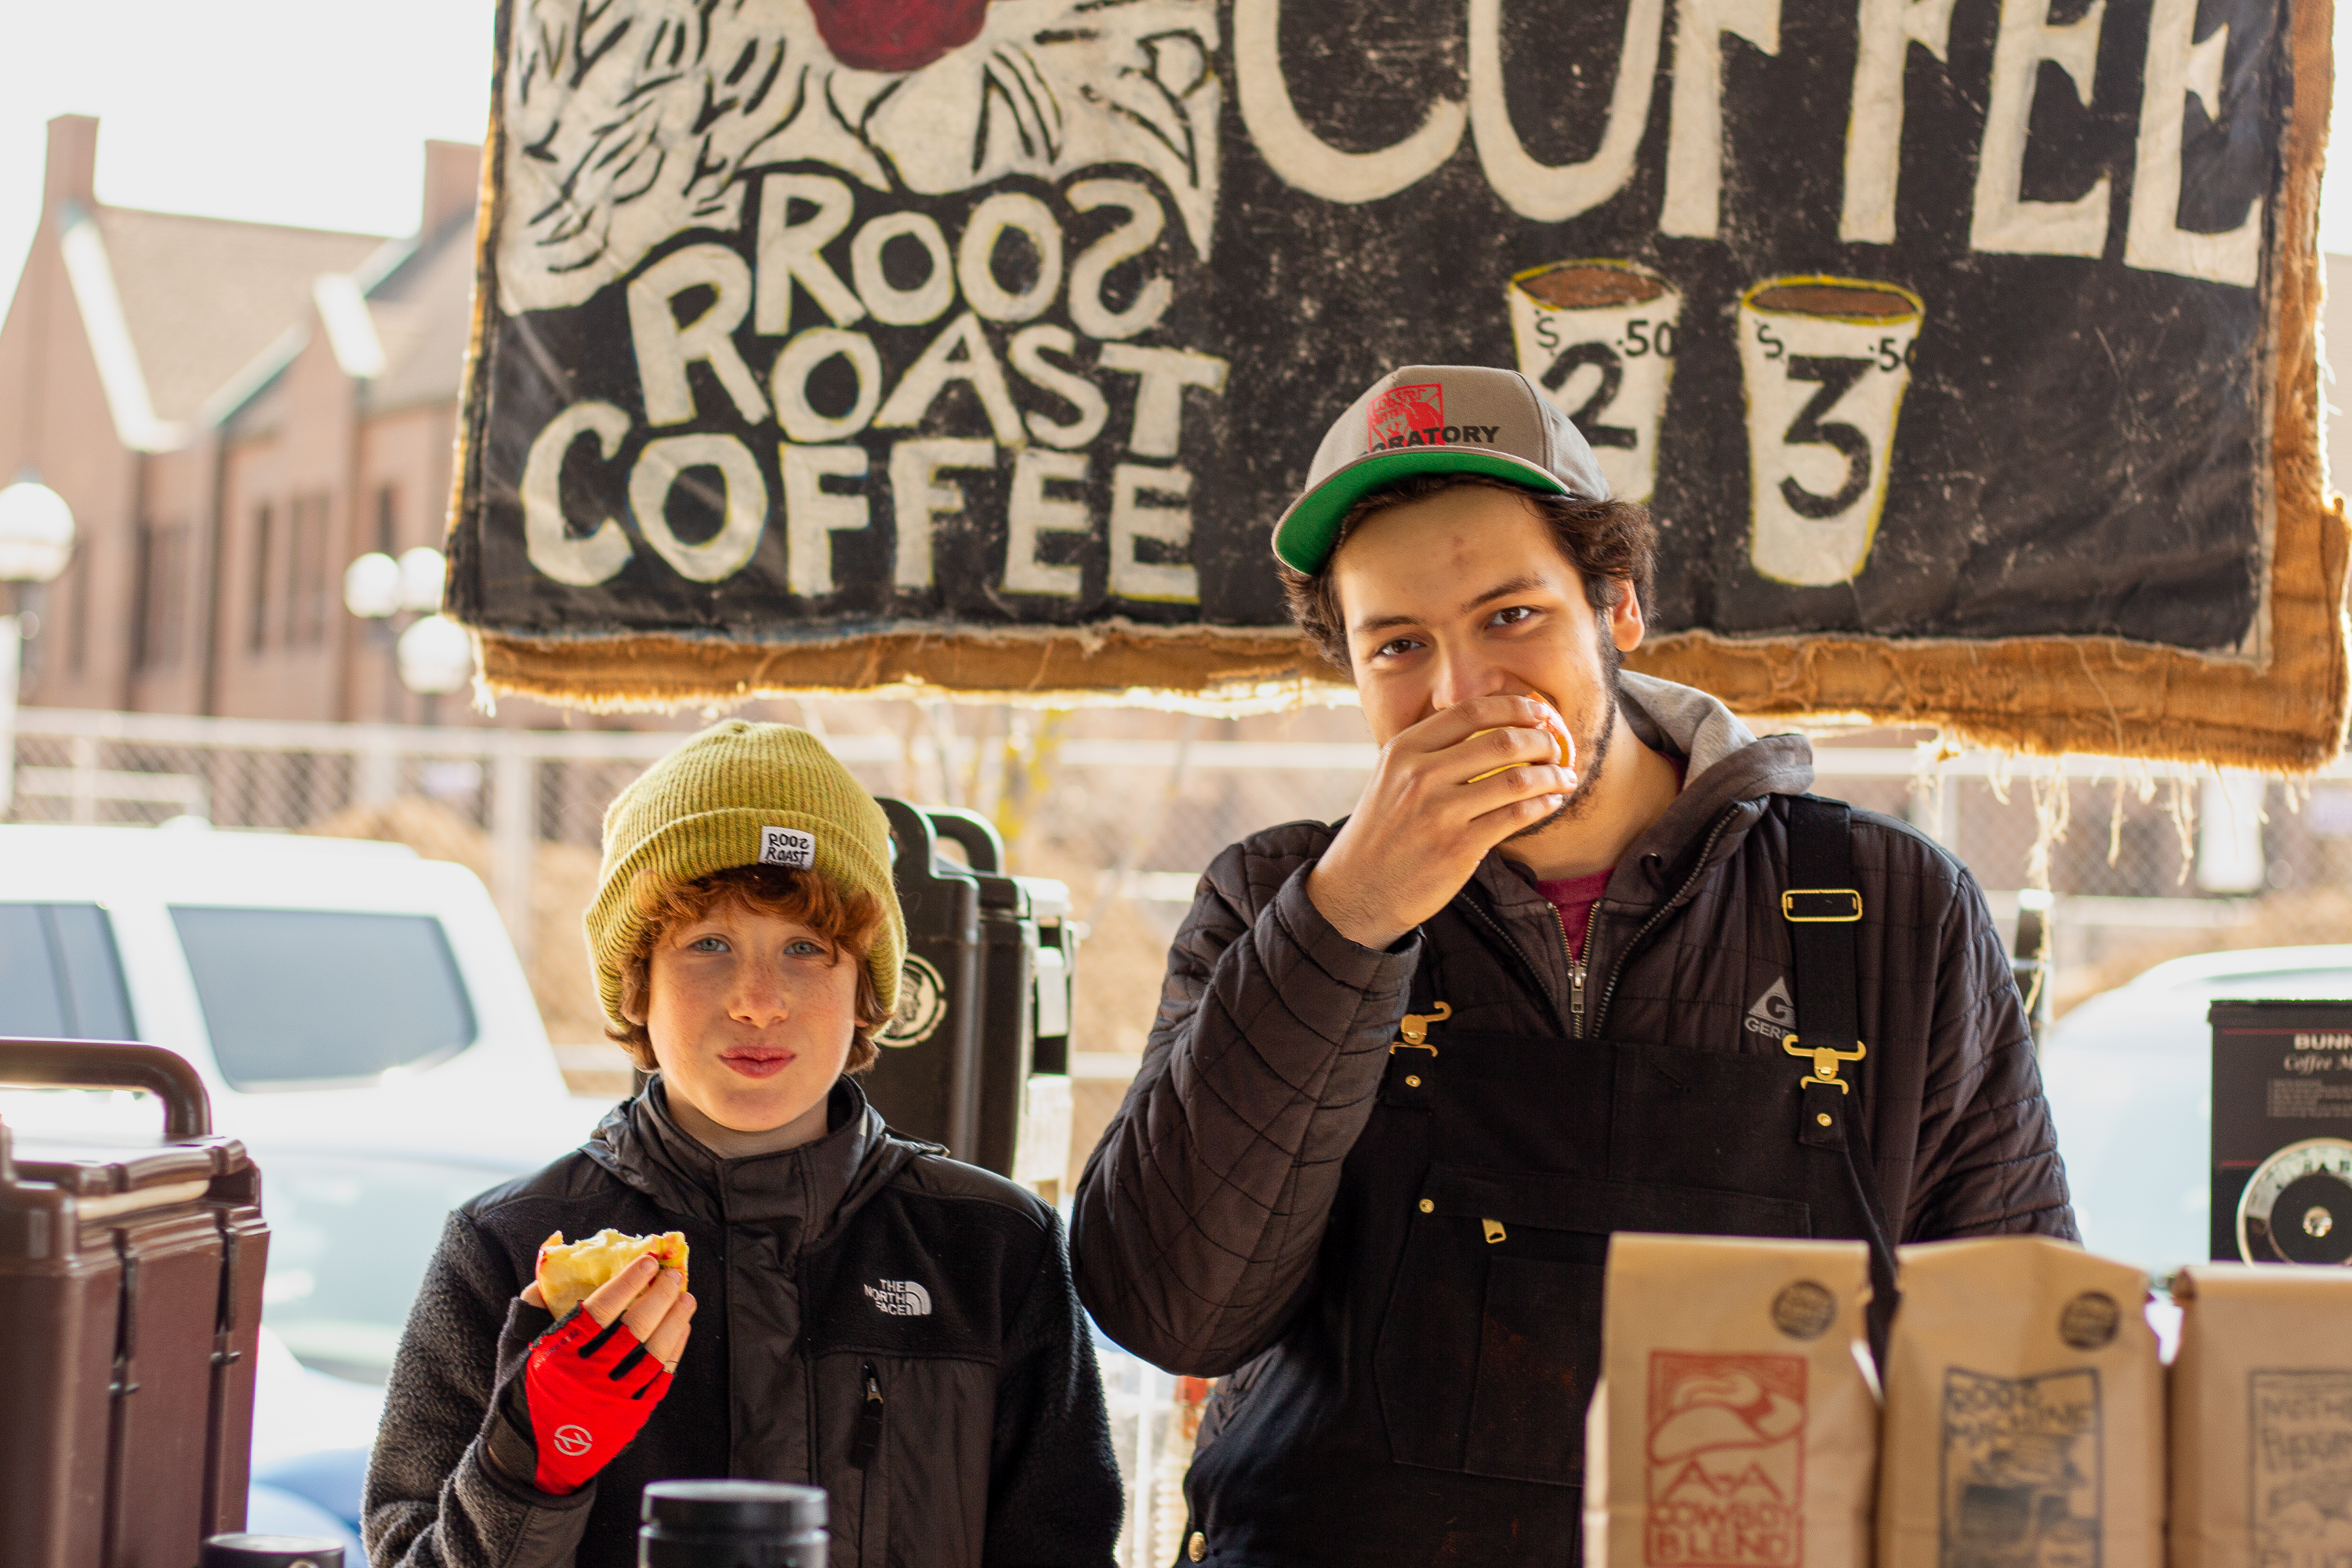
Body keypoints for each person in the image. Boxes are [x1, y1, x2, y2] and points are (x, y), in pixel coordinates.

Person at [1071, 365, 2075, 1565]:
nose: (1465, 692)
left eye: (1513, 617)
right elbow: (1170, 1308)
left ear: (1618, 605)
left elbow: (2019, 1360)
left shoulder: (1887, 910)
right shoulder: (1271, 901)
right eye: (1398, 647)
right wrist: (1353, 917)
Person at [365, 720, 1122, 1567]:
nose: (758, 1000)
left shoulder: (992, 1248)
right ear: (637, 980)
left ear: (868, 989)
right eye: (709, 944)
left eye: (805, 947)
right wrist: (530, 1460)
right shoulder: (509, 1249)